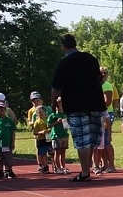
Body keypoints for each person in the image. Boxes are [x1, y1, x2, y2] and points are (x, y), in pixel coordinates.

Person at [51, 34, 108, 182]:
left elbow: (56, 88)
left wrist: (53, 104)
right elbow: (98, 79)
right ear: (75, 44)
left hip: (76, 105)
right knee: (92, 138)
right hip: (95, 103)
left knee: (82, 138)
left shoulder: (64, 63)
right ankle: (88, 166)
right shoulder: (91, 59)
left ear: (63, 46)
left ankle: (84, 171)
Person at [99, 68, 116, 173]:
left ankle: (112, 165)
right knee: (101, 142)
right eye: (101, 73)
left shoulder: (107, 86)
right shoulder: (97, 85)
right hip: (99, 114)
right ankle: (105, 164)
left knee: (106, 140)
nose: (103, 75)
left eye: (105, 73)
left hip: (106, 114)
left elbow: (108, 102)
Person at [47, 97, 70, 174]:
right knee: (57, 152)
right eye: (60, 105)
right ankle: (57, 168)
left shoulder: (65, 115)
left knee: (63, 152)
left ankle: (63, 167)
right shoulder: (53, 115)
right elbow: (48, 125)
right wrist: (56, 122)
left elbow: (68, 124)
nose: (61, 107)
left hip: (65, 135)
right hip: (57, 135)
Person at [0, 101, 17, 178]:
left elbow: (13, 131)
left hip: (7, 143)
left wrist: (13, 142)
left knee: (8, 157)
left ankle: (9, 171)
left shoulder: (9, 121)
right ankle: (0, 172)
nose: (0, 112)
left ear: (5, 110)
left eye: (2, 110)